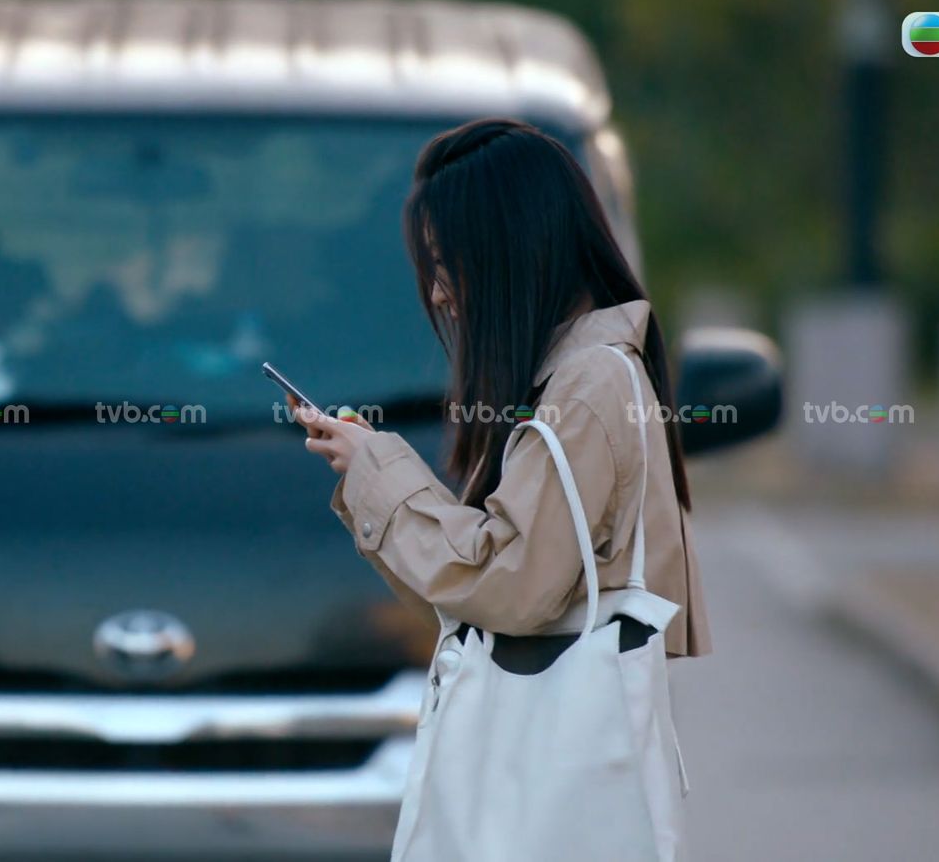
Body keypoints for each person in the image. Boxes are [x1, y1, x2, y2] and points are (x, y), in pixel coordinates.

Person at [292, 119, 707, 853]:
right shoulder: (577, 377)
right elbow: (478, 590)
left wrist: (379, 472)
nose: (440, 294)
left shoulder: (588, 386)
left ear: (509, 250)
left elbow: (507, 584)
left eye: (446, 263)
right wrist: (368, 473)